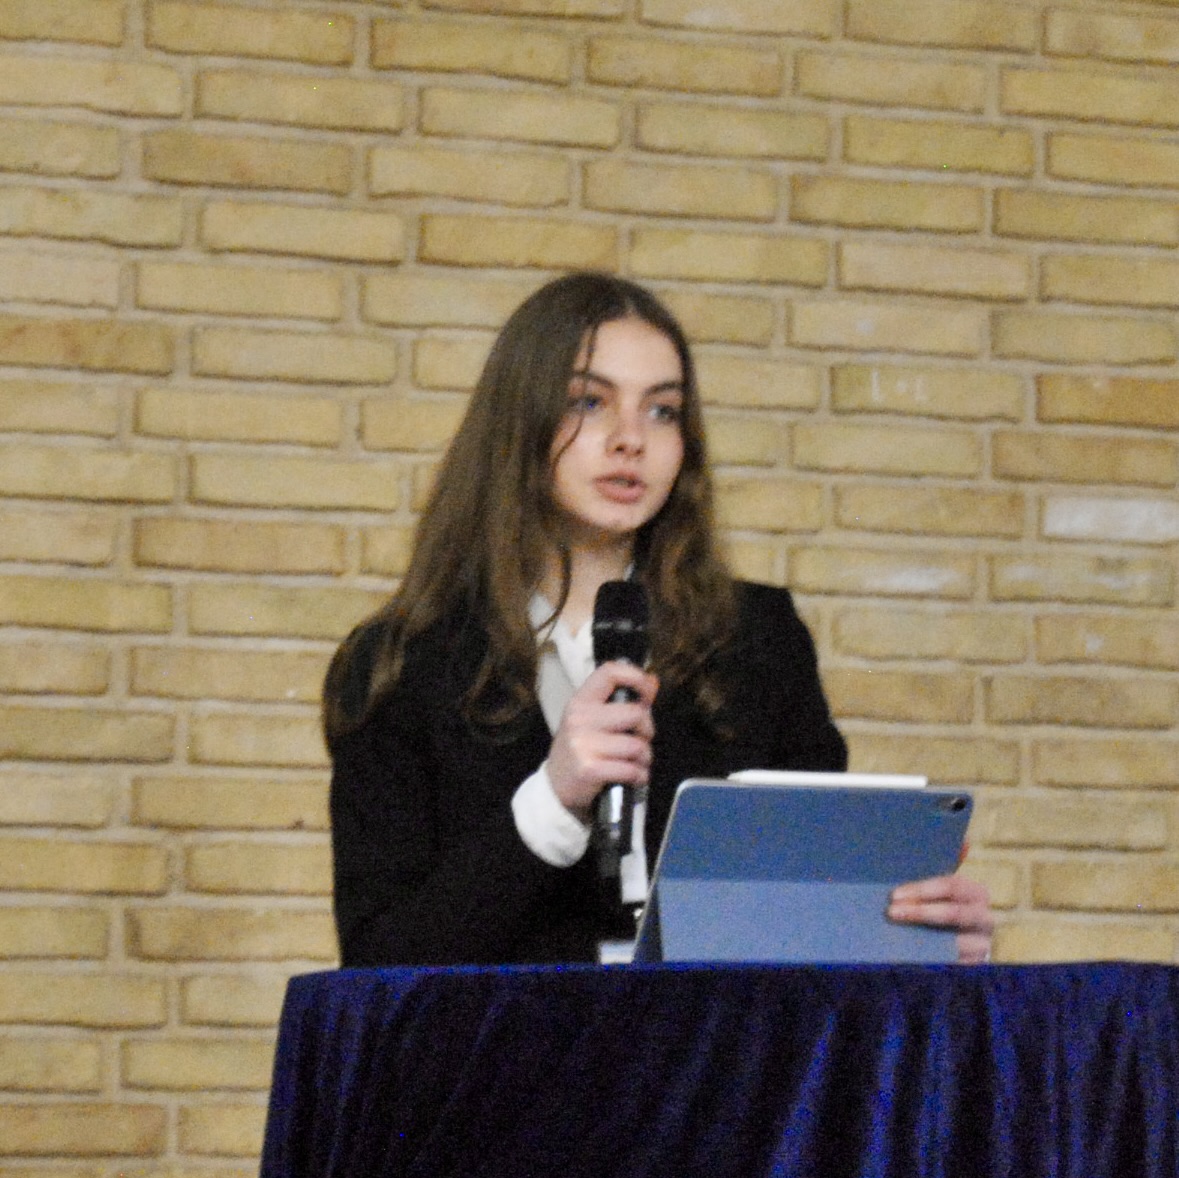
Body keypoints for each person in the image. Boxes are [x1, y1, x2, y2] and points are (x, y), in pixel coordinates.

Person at [323, 271, 993, 968]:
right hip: (505, 1040)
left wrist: (912, 937)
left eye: (663, 411)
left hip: (717, 1039)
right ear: (517, 424)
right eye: (588, 402)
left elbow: (805, 927)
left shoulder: (759, 639)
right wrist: (552, 801)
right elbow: (378, 967)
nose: (630, 439)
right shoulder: (396, 664)